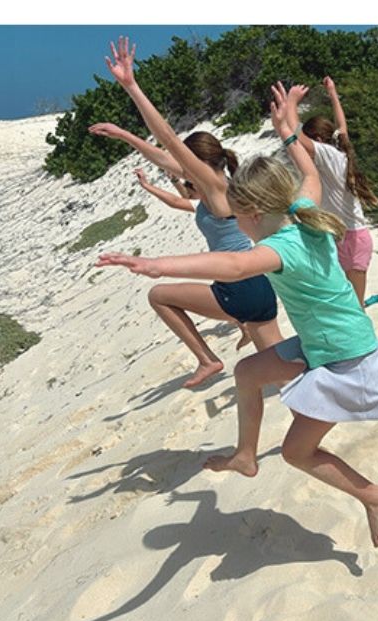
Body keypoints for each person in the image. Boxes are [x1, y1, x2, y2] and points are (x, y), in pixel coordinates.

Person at [98, 82, 378, 548]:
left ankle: (374, 495)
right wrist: (287, 128)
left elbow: (231, 265)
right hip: (326, 346)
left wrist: (155, 265)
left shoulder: (280, 248)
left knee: (297, 452)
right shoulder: (302, 212)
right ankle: (245, 456)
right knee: (249, 371)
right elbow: (309, 172)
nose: (234, 220)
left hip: (347, 360)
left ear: (252, 212)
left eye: (237, 214)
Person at [89, 37, 282, 388]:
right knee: (286, 370)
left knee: (159, 296)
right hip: (258, 286)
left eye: (186, 162)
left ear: (199, 163)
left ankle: (208, 359)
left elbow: (169, 141)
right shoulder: (226, 185)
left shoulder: (214, 187)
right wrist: (126, 136)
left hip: (240, 288)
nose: (180, 166)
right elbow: (165, 156)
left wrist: (132, 86)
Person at [285, 78, 378, 305]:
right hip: (339, 236)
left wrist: (292, 103)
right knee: (345, 302)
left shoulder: (328, 154)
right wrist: (333, 93)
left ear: (318, 139)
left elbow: (295, 135)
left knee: (355, 305)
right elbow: (342, 126)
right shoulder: (339, 152)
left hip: (352, 239)